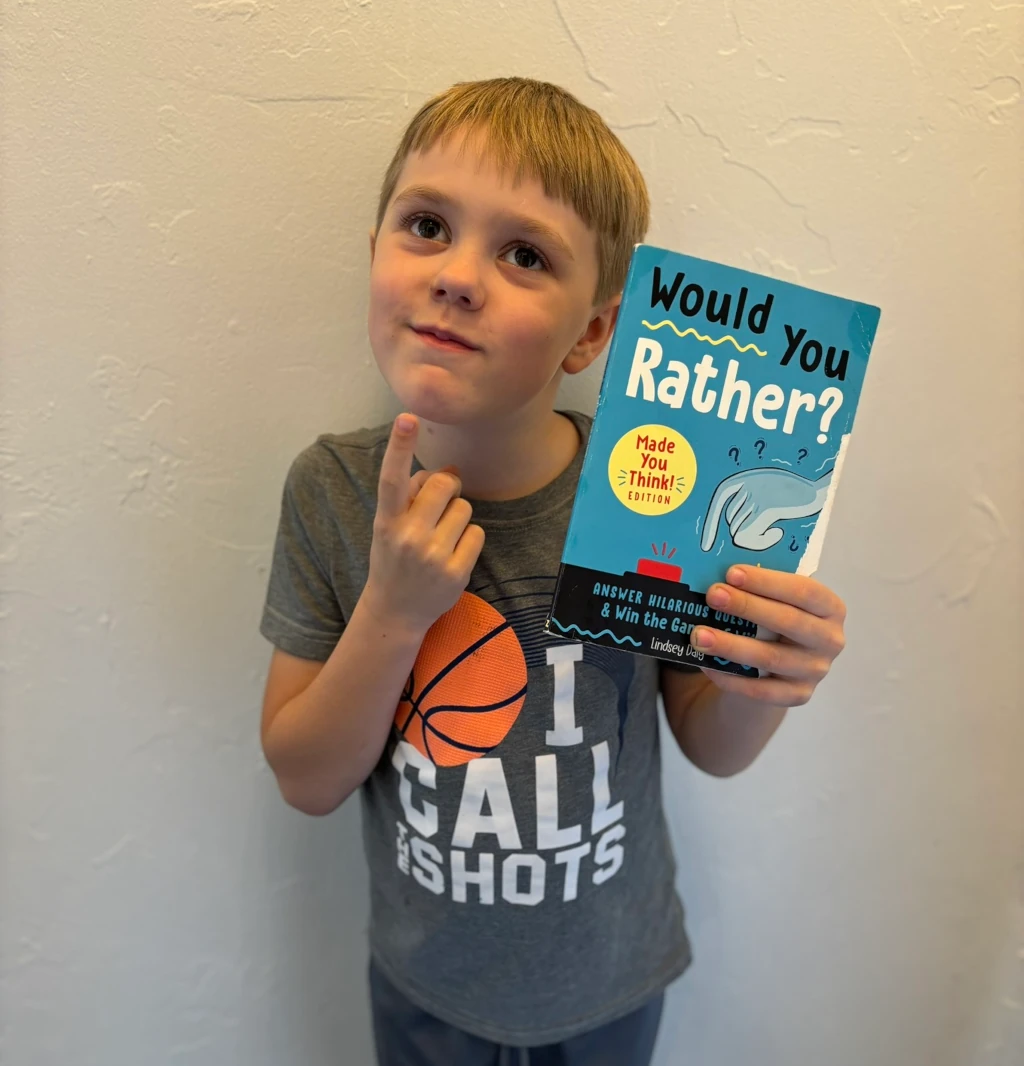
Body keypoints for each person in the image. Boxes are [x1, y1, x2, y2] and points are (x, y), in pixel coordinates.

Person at [258, 76, 847, 1066]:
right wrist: (393, 614)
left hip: (611, 981)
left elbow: (711, 742)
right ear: (373, 259)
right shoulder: (328, 490)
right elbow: (305, 778)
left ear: (591, 331)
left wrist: (762, 677)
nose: (457, 274)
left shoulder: (647, 495)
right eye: (426, 225)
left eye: (523, 254)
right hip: (426, 985)